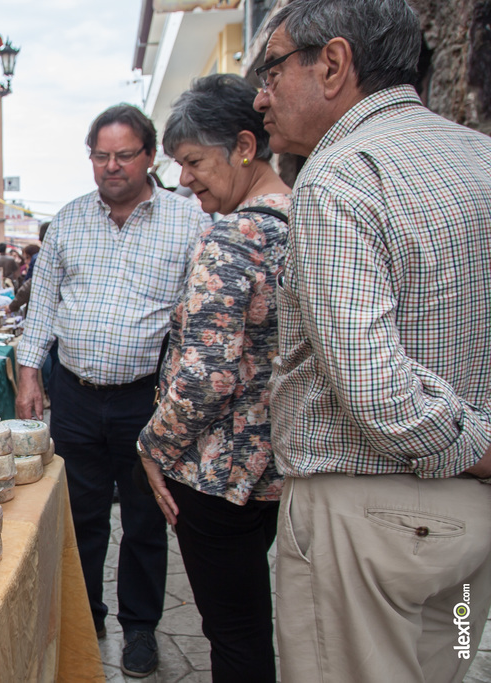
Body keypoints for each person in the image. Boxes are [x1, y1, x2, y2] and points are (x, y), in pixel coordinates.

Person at [255, 2, 491, 682]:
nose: (260, 97)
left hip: (372, 525)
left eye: (271, 70)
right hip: (464, 526)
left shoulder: (340, 176)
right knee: (448, 664)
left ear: (332, 64)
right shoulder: (476, 154)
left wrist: (478, 446)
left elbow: (378, 392)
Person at [16, 104, 211, 677]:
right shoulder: (70, 221)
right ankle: (87, 613)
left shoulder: (189, 221)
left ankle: (142, 627)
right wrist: (30, 373)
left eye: (124, 155)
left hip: (146, 399)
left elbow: (195, 316)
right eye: (100, 156)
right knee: (80, 515)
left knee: (147, 518)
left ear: (150, 157)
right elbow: (43, 301)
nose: (111, 167)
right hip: (74, 394)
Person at [136, 73, 291, 683]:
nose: (184, 179)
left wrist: (152, 445)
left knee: (235, 640)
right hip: (276, 471)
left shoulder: (231, 238)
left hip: (217, 476)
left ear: (245, 147)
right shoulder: (311, 221)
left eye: (194, 161)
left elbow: (206, 379)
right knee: (253, 626)